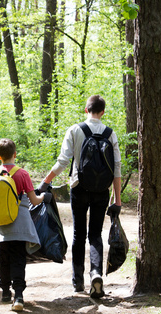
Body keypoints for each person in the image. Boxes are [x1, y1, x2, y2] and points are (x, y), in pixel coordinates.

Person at [38, 95, 122, 298]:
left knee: (79, 234)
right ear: (103, 112)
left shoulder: (75, 130)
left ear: (86, 110)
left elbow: (63, 161)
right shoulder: (111, 134)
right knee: (95, 234)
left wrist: (46, 181)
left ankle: (78, 281)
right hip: (102, 191)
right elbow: (117, 168)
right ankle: (96, 273)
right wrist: (117, 199)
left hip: (78, 187)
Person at [0, 138, 51, 312]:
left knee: (3, 258)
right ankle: (19, 296)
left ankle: (5, 292)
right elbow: (34, 200)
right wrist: (45, 197)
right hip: (19, 223)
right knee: (18, 259)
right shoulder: (22, 174)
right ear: (15, 154)